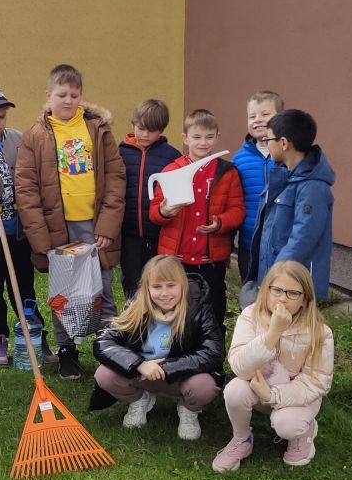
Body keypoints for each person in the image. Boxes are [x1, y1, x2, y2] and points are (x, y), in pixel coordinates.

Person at [16, 64, 126, 379]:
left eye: (74, 95)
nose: (68, 100)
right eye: (62, 94)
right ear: (48, 95)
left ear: (81, 96)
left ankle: (109, 350)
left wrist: (107, 226)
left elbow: (116, 177)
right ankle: (67, 351)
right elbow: (26, 189)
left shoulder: (97, 130)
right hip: (58, 230)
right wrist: (41, 240)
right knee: (64, 295)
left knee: (102, 289)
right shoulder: (35, 136)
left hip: (95, 227)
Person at [213, 261, 334, 472]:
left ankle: (304, 431)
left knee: (287, 425)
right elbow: (239, 367)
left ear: (305, 299)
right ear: (266, 290)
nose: (282, 299)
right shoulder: (250, 315)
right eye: (276, 290)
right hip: (258, 385)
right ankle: (242, 439)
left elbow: (317, 382)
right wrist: (273, 333)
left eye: (293, 293)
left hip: (297, 397)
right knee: (234, 391)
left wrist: (273, 396)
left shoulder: (320, 332)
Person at [90, 256, 223, 438]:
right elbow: (104, 341)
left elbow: (213, 350)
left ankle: (189, 410)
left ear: (183, 285)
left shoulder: (198, 306)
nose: (164, 293)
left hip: (179, 376)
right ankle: (139, 400)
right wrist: (138, 364)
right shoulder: (137, 305)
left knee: (203, 387)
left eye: (171, 285)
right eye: (157, 287)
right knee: (104, 374)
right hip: (142, 373)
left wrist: (167, 368)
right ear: (147, 288)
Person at [0, 86, 54, 367]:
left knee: (24, 286)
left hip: (17, 230)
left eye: (2, 117)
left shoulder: (19, 140)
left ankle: (34, 334)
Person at [149, 109, 245, 326]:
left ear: (217, 137)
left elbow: (237, 210)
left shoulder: (227, 172)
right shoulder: (171, 170)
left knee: (213, 313)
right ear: (185, 138)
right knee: (175, 315)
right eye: (197, 137)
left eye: (209, 137)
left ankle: (212, 348)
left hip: (210, 260)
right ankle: (176, 348)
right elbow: (154, 211)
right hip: (176, 260)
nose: (203, 142)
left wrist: (220, 222)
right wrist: (164, 212)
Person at [247, 109, 335, 302]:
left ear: (284, 143)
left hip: (292, 286)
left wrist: (275, 277)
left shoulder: (312, 187)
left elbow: (303, 237)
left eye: (268, 140)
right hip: (276, 280)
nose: (267, 145)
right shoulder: (283, 177)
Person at [118, 98, 182, 299]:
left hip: (159, 233)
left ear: (161, 130)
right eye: (141, 128)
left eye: (152, 130)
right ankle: (133, 314)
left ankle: (157, 315)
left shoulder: (172, 156)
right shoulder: (119, 153)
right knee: (132, 281)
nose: (145, 134)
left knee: (158, 281)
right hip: (128, 233)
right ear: (133, 124)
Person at [234, 91, 284, 279]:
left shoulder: (288, 155)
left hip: (281, 243)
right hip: (249, 243)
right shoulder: (239, 159)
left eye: (265, 114)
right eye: (252, 116)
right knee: (250, 291)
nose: (258, 120)